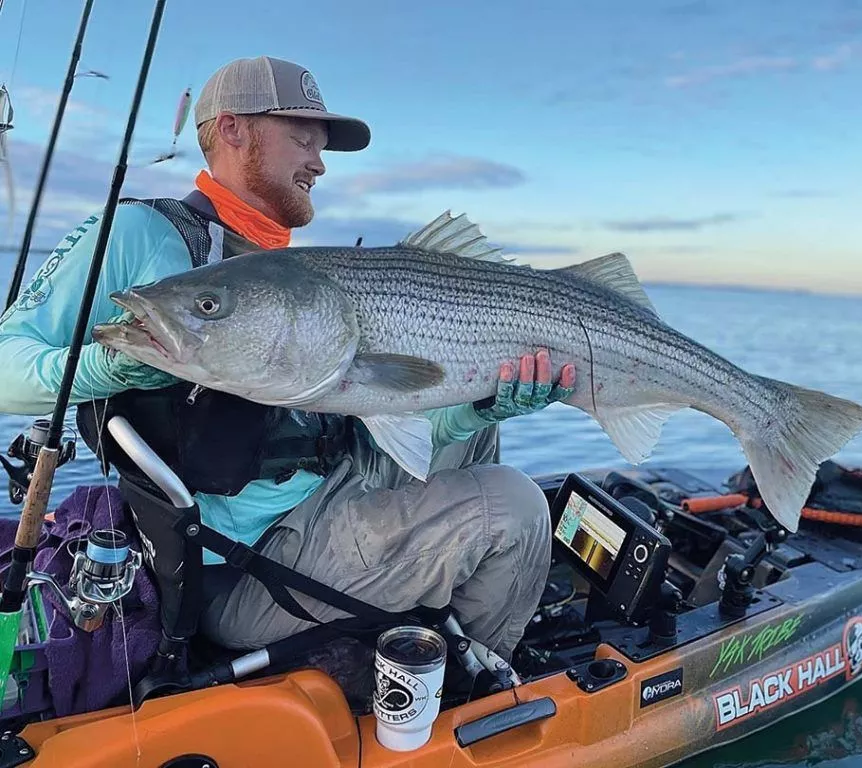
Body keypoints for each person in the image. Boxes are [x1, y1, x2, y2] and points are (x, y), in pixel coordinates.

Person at [0, 56, 575, 663]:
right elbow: (6, 359)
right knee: (513, 506)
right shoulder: (140, 235)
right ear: (232, 130)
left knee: (479, 436)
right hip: (247, 563)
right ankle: (475, 692)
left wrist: (475, 408)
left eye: (321, 146)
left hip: (324, 492)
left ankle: (442, 638)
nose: (319, 162)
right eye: (302, 138)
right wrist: (110, 368)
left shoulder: (290, 271)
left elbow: (370, 413)